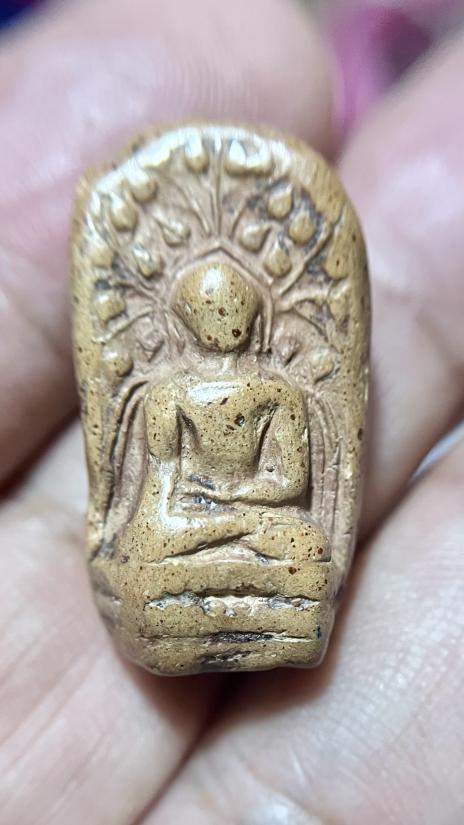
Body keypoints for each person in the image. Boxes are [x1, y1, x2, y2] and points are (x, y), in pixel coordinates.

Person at [0, 0, 462, 822]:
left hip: (253, 529)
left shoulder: (278, 395)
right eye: (209, 311)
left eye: (235, 308)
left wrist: (237, 512)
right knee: (149, 545)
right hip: (194, 533)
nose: (225, 322)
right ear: (188, 319)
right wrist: (199, 517)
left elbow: (287, 488)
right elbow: (159, 494)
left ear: (252, 314)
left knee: (301, 546)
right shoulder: (169, 394)